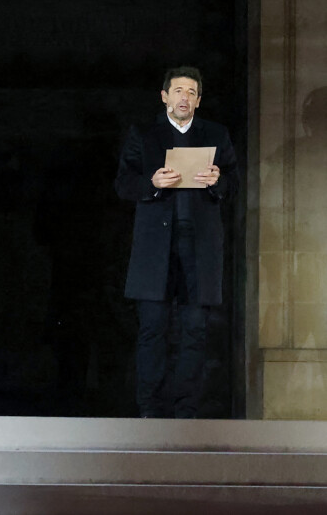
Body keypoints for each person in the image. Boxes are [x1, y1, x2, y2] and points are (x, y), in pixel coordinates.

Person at [115, 66, 238, 418]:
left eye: (191, 92)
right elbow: (124, 183)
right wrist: (152, 182)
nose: (184, 97)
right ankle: (150, 410)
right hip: (156, 248)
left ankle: (187, 410)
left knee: (194, 330)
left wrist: (217, 180)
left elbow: (233, 184)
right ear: (165, 96)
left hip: (198, 246)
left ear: (198, 101)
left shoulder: (216, 134)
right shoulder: (145, 135)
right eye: (178, 90)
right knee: (153, 328)